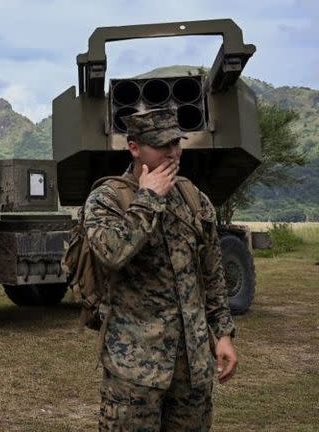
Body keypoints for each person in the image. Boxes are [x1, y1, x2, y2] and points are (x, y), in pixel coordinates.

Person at [83, 108, 238, 431]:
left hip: (192, 368)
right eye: (161, 145)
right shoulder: (107, 200)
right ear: (134, 147)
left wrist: (222, 335)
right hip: (134, 370)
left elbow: (212, 273)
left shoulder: (193, 199)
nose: (172, 152)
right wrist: (148, 198)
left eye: (176, 143)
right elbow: (111, 253)